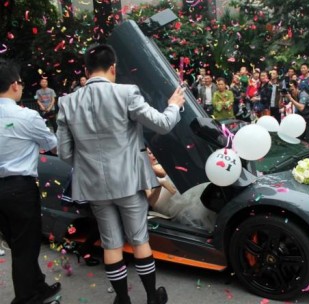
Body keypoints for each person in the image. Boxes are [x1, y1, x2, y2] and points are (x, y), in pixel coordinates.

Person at [56, 44, 185, 304]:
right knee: (139, 240)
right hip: (129, 181)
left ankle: (123, 300)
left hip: (93, 185)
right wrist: (173, 105)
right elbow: (161, 124)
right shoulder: (127, 93)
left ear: (86, 70)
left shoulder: (67, 102)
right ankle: (151, 298)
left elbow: (64, 152)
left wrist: (89, 164)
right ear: (113, 67)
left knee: (111, 243)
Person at [0, 59, 61, 304]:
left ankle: (38, 286)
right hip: (19, 189)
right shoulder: (27, 116)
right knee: (26, 246)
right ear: (15, 85)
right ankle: (26, 298)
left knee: (18, 243)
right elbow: (53, 145)